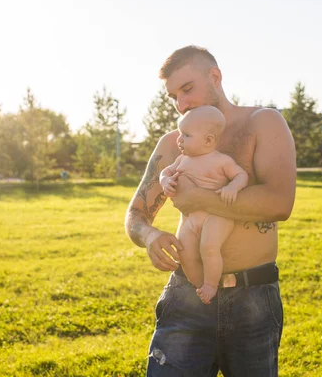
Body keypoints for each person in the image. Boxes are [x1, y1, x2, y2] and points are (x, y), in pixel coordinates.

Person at [125, 45, 296, 376]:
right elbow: (136, 214)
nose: (181, 103)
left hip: (253, 299)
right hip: (185, 298)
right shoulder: (172, 144)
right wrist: (148, 235)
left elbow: (279, 203)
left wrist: (200, 199)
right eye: (174, 96)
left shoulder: (263, 123)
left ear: (215, 77)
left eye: (187, 89)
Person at [159, 105, 248, 304]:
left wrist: (232, 187)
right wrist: (165, 181)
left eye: (186, 135)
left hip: (217, 217)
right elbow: (165, 172)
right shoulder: (182, 160)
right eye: (180, 134)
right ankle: (199, 285)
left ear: (208, 140)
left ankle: (210, 284)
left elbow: (241, 175)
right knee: (184, 252)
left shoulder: (221, 161)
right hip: (191, 220)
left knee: (209, 247)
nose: (179, 139)